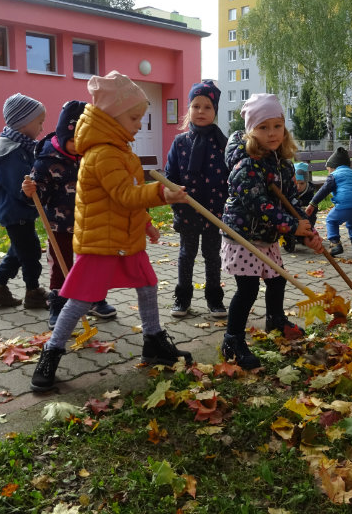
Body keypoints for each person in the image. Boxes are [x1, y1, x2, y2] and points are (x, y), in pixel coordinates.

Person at [31, 71, 192, 392]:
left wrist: (145, 223)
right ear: (111, 118)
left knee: (147, 285)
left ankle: (153, 340)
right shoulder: (102, 154)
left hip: (125, 239)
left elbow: (127, 200)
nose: (139, 125)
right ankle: (51, 352)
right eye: (134, 118)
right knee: (80, 300)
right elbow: (125, 194)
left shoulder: (120, 150)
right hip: (100, 242)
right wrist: (162, 194)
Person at [220, 93, 323, 369]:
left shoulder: (283, 163)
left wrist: (307, 231)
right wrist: (292, 227)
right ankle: (232, 340)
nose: (272, 133)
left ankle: (275, 321)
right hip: (243, 236)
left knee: (277, 281)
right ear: (251, 131)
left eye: (277, 125)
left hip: (267, 236)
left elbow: (292, 202)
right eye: (263, 127)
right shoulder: (245, 163)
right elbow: (259, 205)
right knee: (248, 289)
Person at [23, 101, 116, 330]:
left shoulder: (94, 156)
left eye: (84, 139)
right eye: (73, 139)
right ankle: (59, 303)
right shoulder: (47, 160)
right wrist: (31, 191)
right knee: (60, 264)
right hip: (60, 224)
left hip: (91, 223)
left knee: (93, 263)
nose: (78, 145)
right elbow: (39, 194)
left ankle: (94, 298)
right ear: (64, 134)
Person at [164, 80, 229, 319]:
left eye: (207, 107)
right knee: (186, 255)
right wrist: (175, 198)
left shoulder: (223, 144)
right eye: (196, 106)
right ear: (189, 109)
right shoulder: (180, 142)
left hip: (215, 211)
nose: (201, 111)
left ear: (215, 111)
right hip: (187, 210)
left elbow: (231, 177)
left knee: (212, 256)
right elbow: (170, 175)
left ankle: (214, 299)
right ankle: (182, 298)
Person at [0, 93, 49, 309]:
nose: (41, 127)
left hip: (20, 212)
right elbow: (17, 184)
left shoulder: (22, 146)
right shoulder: (9, 150)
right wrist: (27, 193)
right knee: (30, 252)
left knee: (18, 250)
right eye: (39, 122)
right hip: (14, 211)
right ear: (24, 122)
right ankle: (33, 292)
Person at [305, 147, 352, 258]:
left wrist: (313, 203)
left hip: (346, 204)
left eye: (328, 170)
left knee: (331, 220)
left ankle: (335, 244)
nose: (328, 172)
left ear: (333, 167)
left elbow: (324, 190)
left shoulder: (334, 175)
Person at [283, 162, 317, 253]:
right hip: (291, 213)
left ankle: (306, 233)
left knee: (312, 212)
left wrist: (306, 205)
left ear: (306, 182)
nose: (298, 187)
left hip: (305, 212)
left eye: (302, 183)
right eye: (296, 183)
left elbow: (312, 202)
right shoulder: (290, 189)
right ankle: (289, 236)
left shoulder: (309, 190)